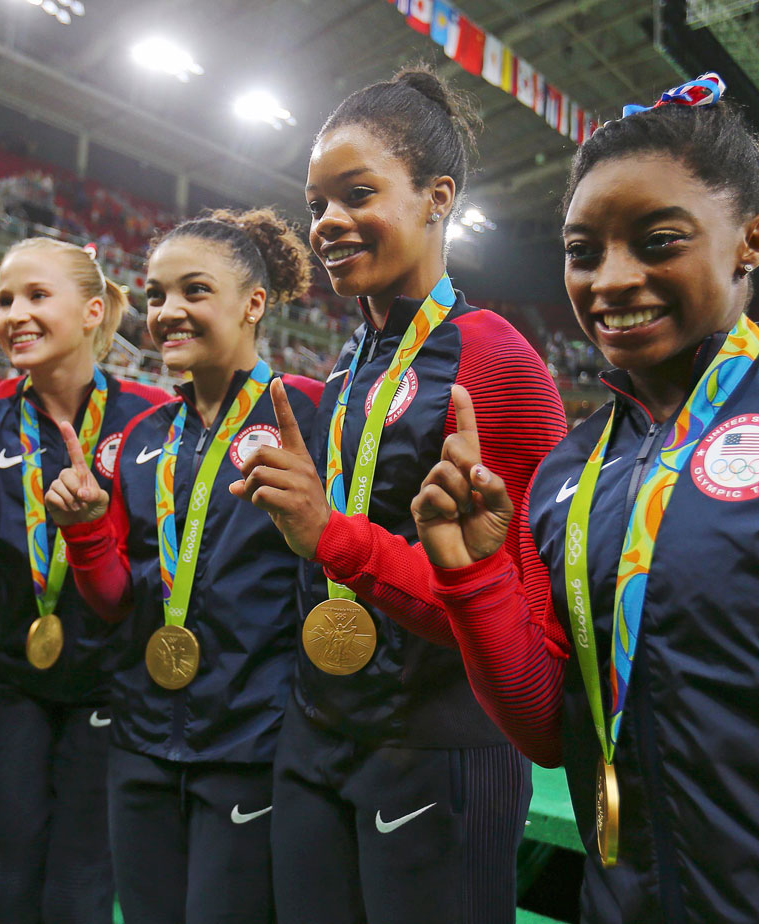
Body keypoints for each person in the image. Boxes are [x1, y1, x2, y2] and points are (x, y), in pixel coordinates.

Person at [413, 75, 759, 923]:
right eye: (582, 250)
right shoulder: (567, 470)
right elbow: (551, 731)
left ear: (751, 239)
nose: (610, 280)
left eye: (658, 240)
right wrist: (472, 577)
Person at [231, 67, 566, 924]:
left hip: (436, 748)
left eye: (358, 193)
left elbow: (520, 620)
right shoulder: (352, 363)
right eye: (318, 202)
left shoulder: (501, 366)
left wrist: (326, 532)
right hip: (318, 730)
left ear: (437, 197)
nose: (328, 223)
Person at [46, 208, 322, 924]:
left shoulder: (312, 419)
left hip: (255, 748)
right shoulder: (138, 439)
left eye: (194, 291)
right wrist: (83, 534)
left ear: (254, 303)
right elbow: (116, 601)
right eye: (157, 293)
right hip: (139, 743)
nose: (167, 312)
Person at [0, 238, 168, 923]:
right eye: (4, 299)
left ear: (93, 312)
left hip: (117, 688)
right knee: (11, 885)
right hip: (13, 686)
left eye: (36, 295)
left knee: (81, 889)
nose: (13, 314)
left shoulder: (152, 417)